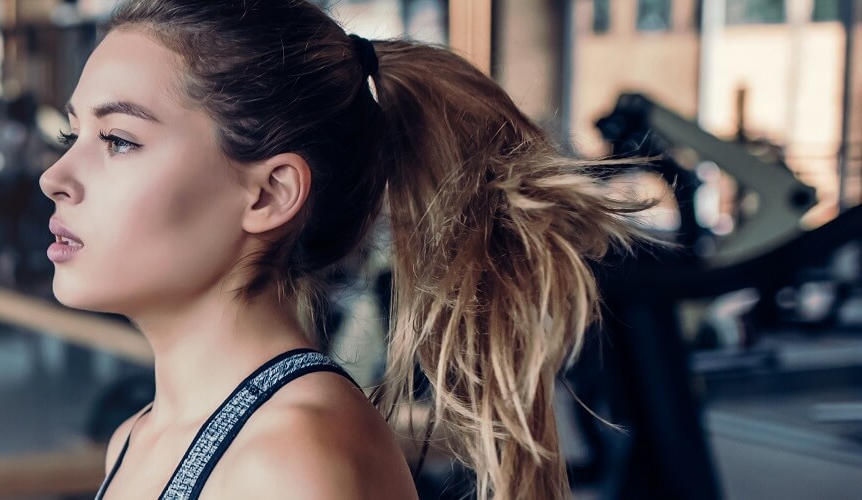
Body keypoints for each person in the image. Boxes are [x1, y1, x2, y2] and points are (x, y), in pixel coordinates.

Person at [39, 1, 648, 499]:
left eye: (118, 140)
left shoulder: (290, 463)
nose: (56, 176)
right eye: (74, 133)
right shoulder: (135, 439)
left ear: (270, 194)